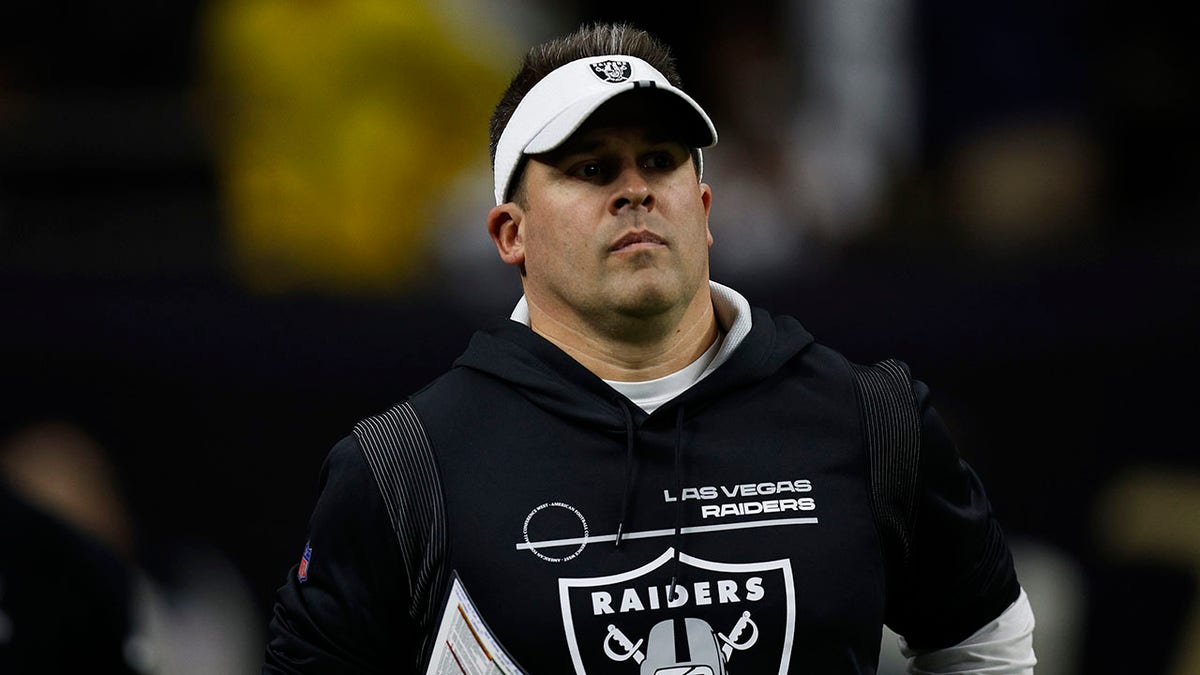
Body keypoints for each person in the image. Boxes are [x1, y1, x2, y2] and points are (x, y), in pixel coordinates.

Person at [263, 21, 1036, 674]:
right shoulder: (403, 467)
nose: (635, 189)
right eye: (591, 168)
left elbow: (986, 641)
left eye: (661, 161)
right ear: (511, 232)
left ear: (702, 208)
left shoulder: (871, 419)